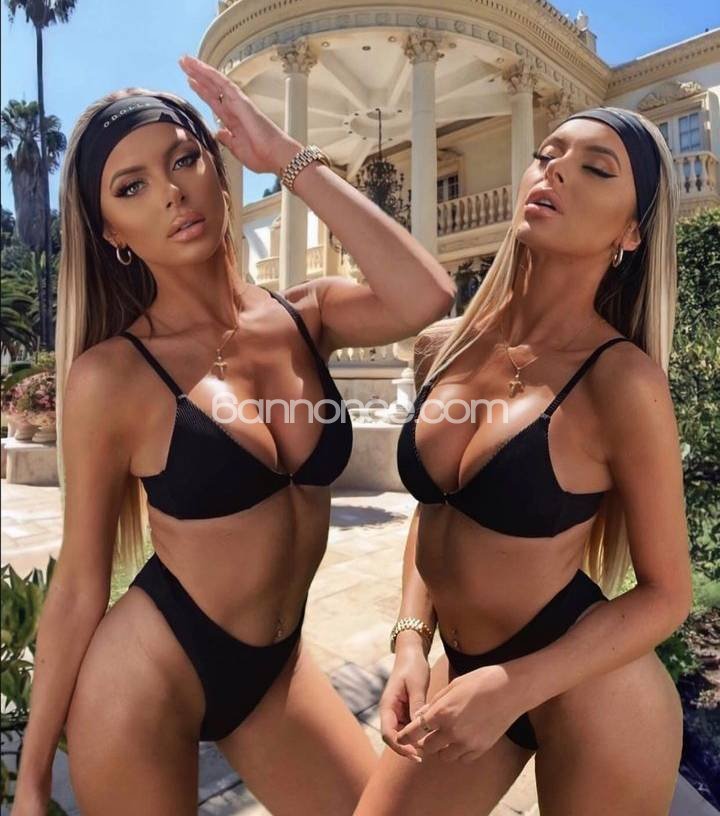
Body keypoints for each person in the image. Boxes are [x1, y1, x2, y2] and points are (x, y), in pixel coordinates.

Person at [11, 55, 455, 816]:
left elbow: (427, 293)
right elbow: (81, 584)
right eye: (131, 187)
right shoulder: (113, 375)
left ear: (218, 172)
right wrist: (28, 786)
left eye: (183, 160)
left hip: (274, 673)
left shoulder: (306, 315)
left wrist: (285, 157)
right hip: (145, 679)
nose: (171, 192)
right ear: (112, 231)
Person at [355, 107, 692, 816]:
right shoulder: (444, 346)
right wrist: (412, 642)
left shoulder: (621, 381)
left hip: (594, 691)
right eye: (547, 155)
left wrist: (515, 686)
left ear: (631, 233)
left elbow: (667, 595)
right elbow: (434, 510)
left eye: (595, 169)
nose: (557, 170)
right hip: (466, 673)